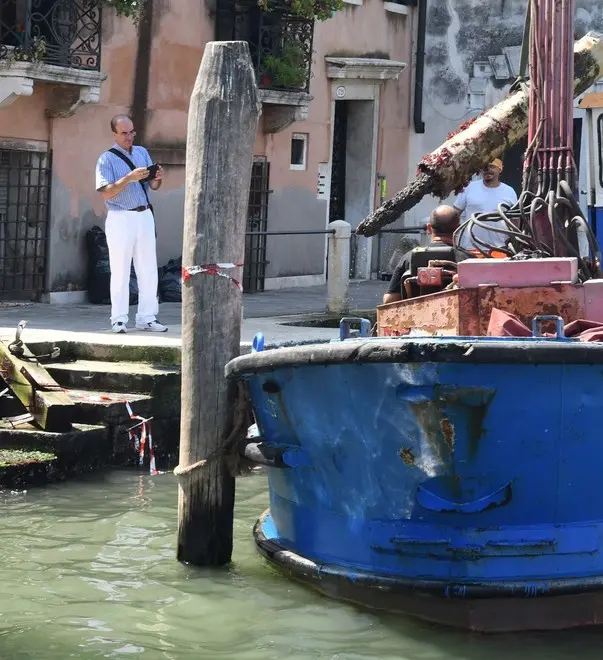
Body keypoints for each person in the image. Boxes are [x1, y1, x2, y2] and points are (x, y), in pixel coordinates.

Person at [95, 115, 168, 334]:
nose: (129, 137)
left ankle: (147, 317)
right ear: (115, 134)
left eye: (131, 132)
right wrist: (129, 178)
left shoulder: (142, 153)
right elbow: (105, 191)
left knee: (148, 268)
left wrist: (157, 178)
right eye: (124, 133)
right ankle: (118, 319)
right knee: (120, 269)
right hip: (120, 216)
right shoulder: (105, 159)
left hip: (144, 214)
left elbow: (153, 187)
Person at [383, 205, 460, 304]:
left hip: (416, 317)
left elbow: (389, 300)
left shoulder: (408, 257)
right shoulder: (467, 259)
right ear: (458, 229)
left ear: (429, 228)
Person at [453, 159, 518, 251]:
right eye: (485, 167)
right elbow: (454, 213)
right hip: (470, 248)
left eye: (492, 166)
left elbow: (515, 219)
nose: (488, 170)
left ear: (500, 169)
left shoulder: (509, 191)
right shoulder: (469, 187)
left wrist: (515, 242)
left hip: (499, 248)